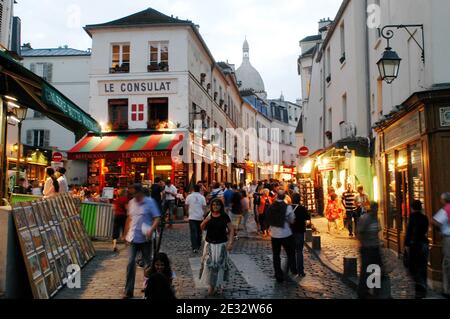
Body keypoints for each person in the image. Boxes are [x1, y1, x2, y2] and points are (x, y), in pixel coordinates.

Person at [123, 184, 161, 299]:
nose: (134, 196)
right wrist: (125, 234)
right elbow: (129, 218)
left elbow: (157, 218)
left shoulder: (150, 202)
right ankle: (128, 291)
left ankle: (149, 290)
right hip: (133, 238)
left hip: (145, 238)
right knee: (130, 263)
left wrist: (151, 229)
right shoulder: (131, 203)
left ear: (140, 192)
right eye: (132, 194)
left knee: (148, 264)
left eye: (135, 193)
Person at [200, 199, 234, 296]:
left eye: (218, 205)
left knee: (220, 265)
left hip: (221, 244)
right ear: (211, 206)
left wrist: (231, 242)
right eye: (214, 205)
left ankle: (218, 285)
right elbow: (202, 227)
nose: (215, 206)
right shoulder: (209, 215)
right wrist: (206, 219)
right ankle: (211, 286)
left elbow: (231, 229)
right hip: (209, 244)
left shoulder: (224, 216)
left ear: (221, 206)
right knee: (209, 265)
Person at [356, 202, 387, 299]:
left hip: (375, 248)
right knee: (366, 270)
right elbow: (359, 233)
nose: (376, 210)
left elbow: (377, 232)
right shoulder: (364, 218)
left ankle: (375, 292)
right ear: (371, 208)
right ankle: (363, 292)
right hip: (367, 248)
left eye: (377, 208)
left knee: (376, 269)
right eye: (375, 208)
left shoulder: (376, 219)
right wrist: (363, 244)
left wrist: (378, 245)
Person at [266, 191, 297, 282]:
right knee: (290, 253)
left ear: (276, 197)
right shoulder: (288, 207)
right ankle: (293, 270)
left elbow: (267, 218)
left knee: (276, 255)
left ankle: (278, 274)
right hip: (286, 233)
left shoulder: (271, 207)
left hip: (274, 234)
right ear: (284, 197)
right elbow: (292, 220)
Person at [405, 200, 429, 299]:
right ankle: (423, 287)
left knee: (414, 266)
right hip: (424, 243)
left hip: (415, 244)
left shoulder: (412, 217)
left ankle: (419, 288)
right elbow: (425, 230)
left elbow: (409, 231)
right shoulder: (424, 217)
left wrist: (406, 244)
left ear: (412, 208)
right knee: (423, 265)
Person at [433, 192, 450, 298]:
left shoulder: (445, 210)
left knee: (447, 263)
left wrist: (439, 230)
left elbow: (435, 222)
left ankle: (447, 290)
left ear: (443, 200)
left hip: (448, 239)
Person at [291, 193, 310, 277]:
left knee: (291, 251)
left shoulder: (288, 208)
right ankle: (300, 271)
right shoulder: (302, 208)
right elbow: (308, 217)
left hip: (290, 232)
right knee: (299, 251)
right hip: (300, 231)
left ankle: (293, 270)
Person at [185, 184, 207, 253]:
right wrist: (204, 215)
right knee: (199, 231)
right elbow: (204, 207)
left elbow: (186, 205)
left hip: (192, 216)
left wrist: (187, 213)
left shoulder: (189, 196)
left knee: (193, 232)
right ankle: (198, 244)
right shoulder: (202, 197)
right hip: (200, 216)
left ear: (193, 189)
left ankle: (194, 247)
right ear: (199, 189)